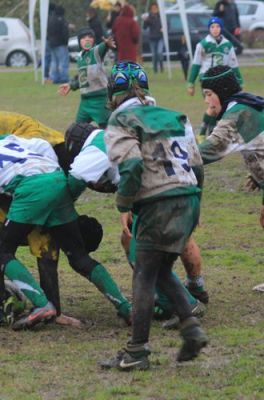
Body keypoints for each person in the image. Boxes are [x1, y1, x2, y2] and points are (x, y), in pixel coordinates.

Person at [0, 135, 133, 328]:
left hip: (31, 189)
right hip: (56, 178)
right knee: (79, 256)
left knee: (1, 251)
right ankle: (126, 308)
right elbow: (40, 144)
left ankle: (42, 305)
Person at [101, 62, 208, 371]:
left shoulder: (120, 119)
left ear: (113, 93)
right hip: (187, 197)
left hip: (158, 199)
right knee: (159, 269)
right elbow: (197, 166)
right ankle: (190, 326)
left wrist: (124, 205)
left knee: (144, 275)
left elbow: (133, 166)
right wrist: (196, 204)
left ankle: (136, 351)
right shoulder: (177, 116)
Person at [63, 122, 208, 328]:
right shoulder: (112, 136)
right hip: (176, 186)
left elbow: (75, 181)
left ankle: (186, 304)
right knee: (134, 244)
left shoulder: (94, 148)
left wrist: (58, 210)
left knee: (142, 254)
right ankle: (168, 301)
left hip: (159, 195)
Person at [199, 66, 264, 231]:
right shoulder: (249, 102)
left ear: (221, 93)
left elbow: (212, 148)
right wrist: (257, 175)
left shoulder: (236, 115)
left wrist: (173, 158)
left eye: (208, 94)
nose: (206, 101)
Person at [187, 17, 243, 138]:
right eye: (212, 27)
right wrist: (190, 83)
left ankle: (208, 134)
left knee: (217, 108)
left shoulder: (227, 45)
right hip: (206, 79)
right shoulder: (203, 45)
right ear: (209, 29)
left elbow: (233, 65)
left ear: (221, 28)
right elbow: (196, 64)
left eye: (217, 26)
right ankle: (205, 134)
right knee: (213, 106)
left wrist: (239, 80)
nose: (215, 29)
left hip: (221, 80)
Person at [58, 29, 116, 128]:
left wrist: (106, 44)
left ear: (93, 41)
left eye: (90, 37)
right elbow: (83, 78)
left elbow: (102, 47)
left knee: (107, 130)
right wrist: (71, 85)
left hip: (100, 100)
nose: (87, 40)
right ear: (79, 41)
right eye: (84, 38)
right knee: (77, 129)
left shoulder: (96, 52)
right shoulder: (80, 57)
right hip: (85, 102)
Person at [46, 5, 70, 84]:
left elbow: (48, 32)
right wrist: (66, 42)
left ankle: (54, 77)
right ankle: (64, 77)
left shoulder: (50, 19)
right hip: (61, 44)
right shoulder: (62, 20)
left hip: (52, 44)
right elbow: (65, 32)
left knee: (54, 62)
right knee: (63, 61)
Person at [143, 3, 164, 74]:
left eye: (155, 8)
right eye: (153, 8)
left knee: (159, 53)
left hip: (160, 37)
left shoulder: (160, 15)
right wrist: (145, 21)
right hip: (152, 38)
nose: (154, 9)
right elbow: (145, 27)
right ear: (151, 9)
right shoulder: (149, 17)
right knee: (154, 55)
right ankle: (155, 70)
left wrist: (163, 28)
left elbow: (167, 23)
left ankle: (161, 68)